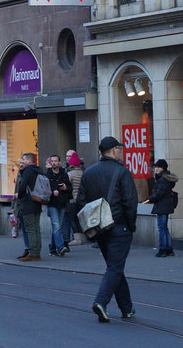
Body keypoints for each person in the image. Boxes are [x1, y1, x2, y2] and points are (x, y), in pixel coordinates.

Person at [75, 135, 139, 322]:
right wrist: (131, 225)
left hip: (99, 228)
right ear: (114, 151)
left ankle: (126, 308)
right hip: (119, 226)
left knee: (114, 267)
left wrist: (90, 226)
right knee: (115, 267)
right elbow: (130, 202)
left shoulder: (89, 172)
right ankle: (101, 302)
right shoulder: (122, 172)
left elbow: (81, 202)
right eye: (119, 149)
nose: (120, 152)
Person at [14, 152, 43, 261]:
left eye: (24, 159)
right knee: (36, 229)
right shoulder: (38, 170)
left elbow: (22, 187)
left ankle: (32, 253)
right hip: (37, 202)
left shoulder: (28, 171)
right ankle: (37, 251)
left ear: (29, 161)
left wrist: (19, 195)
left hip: (28, 203)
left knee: (30, 229)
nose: (22, 162)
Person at [147, 159, 178, 258]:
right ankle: (169, 249)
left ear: (163, 168)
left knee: (162, 229)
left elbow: (159, 193)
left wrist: (150, 198)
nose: (156, 169)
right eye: (156, 167)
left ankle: (163, 249)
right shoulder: (166, 178)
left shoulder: (162, 179)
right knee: (165, 228)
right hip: (166, 205)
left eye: (158, 167)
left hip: (162, 206)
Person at [45, 154, 70, 257]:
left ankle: (52, 248)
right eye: (52, 161)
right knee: (56, 226)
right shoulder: (47, 175)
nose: (54, 163)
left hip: (62, 203)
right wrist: (52, 192)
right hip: (52, 204)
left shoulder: (64, 174)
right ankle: (60, 247)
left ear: (59, 162)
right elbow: (44, 189)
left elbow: (70, 188)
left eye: (56, 161)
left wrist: (65, 188)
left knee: (57, 227)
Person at [65, 150, 84, 245]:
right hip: (81, 199)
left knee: (73, 219)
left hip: (72, 199)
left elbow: (67, 186)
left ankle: (77, 239)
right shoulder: (82, 172)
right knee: (79, 219)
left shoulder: (70, 174)